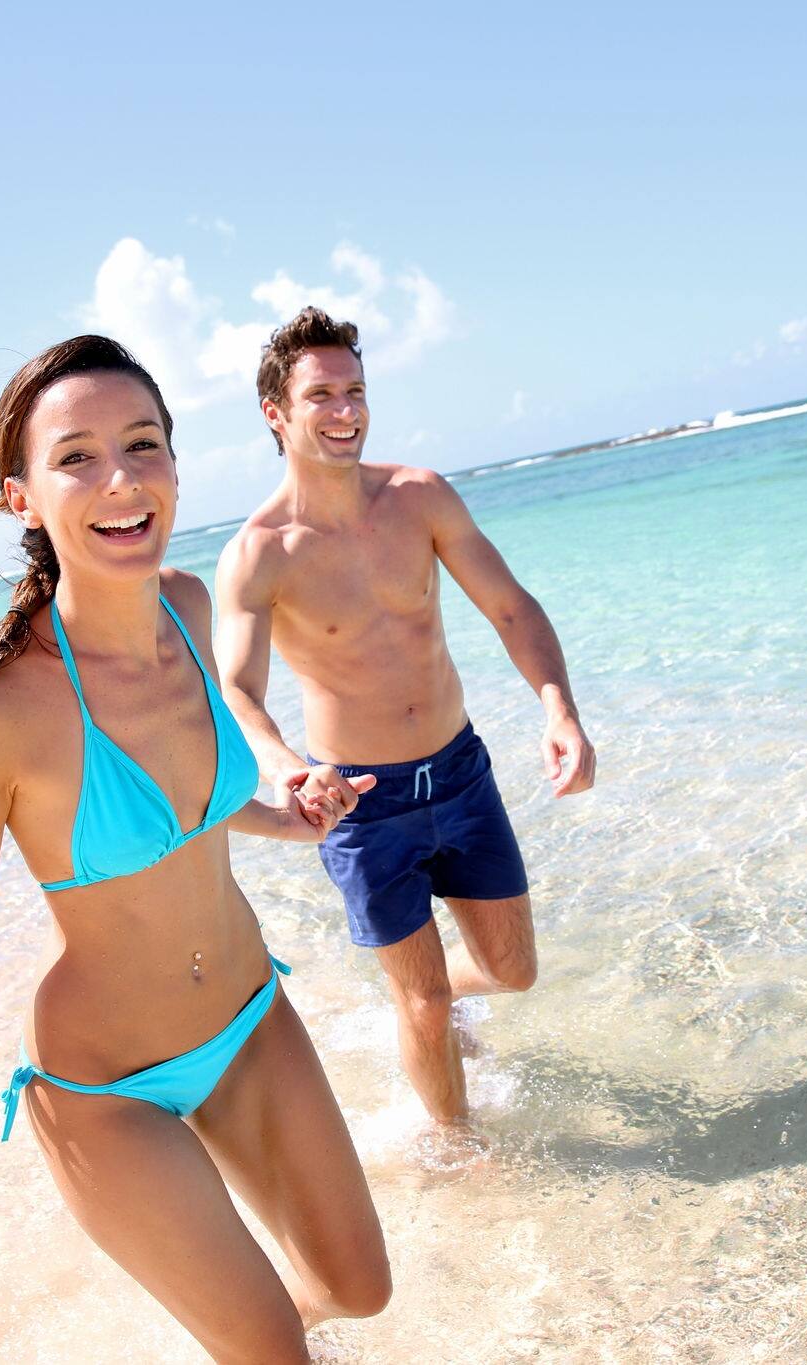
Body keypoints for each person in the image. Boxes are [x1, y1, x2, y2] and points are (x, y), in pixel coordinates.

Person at [0, 336, 390, 1362]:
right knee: (275, 1353)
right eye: (75, 457)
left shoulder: (189, 606)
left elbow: (182, 811)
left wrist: (284, 815)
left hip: (250, 1020)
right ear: (24, 498)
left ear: (173, 461)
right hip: (107, 1092)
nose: (119, 479)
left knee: (358, 1290)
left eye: (142, 444)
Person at [215, 307, 596, 1134]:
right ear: (275, 413)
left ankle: (433, 1005)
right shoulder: (260, 552)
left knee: (513, 970)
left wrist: (558, 707)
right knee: (421, 1001)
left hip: (460, 773)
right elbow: (237, 691)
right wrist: (289, 771)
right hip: (361, 802)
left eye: (355, 390)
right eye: (321, 395)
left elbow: (510, 606)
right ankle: (461, 1150)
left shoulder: (419, 497)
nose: (346, 410)